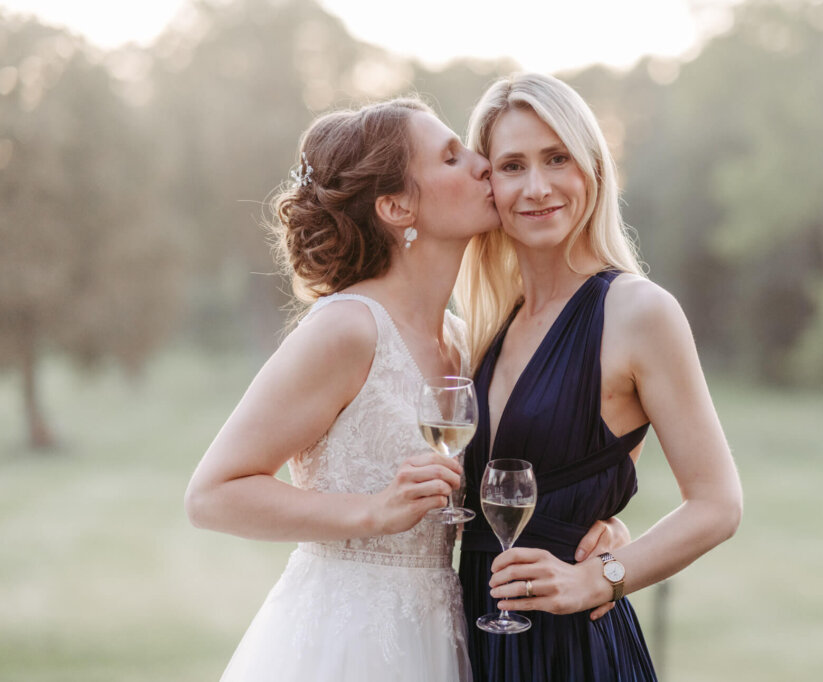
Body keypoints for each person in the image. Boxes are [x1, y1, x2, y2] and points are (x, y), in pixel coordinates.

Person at [184, 97, 497, 681]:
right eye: (452, 157)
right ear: (397, 206)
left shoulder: (461, 339)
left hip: (437, 632)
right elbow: (211, 495)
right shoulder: (347, 328)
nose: (484, 164)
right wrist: (373, 512)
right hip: (343, 639)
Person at [453, 73, 744, 681]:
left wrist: (599, 578)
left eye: (556, 158)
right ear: (489, 184)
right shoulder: (488, 327)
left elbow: (717, 503)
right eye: (511, 165)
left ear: (592, 167)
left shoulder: (638, 312)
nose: (537, 187)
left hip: (573, 651)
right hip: (475, 637)